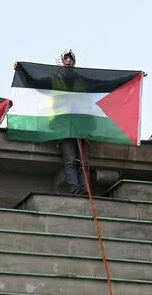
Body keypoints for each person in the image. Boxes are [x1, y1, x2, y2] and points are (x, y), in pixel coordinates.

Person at [56, 49, 89, 195]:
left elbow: (104, 82)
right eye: (65, 59)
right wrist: (21, 70)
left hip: (81, 126)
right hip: (64, 127)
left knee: (83, 162)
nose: (68, 61)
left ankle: (85, 189)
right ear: (62, 62)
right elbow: (35, 80)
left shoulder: (82, 80)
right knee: (70, 160)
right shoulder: (55, 79)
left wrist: (133, 78)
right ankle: (76, 191)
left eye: (70, 59)